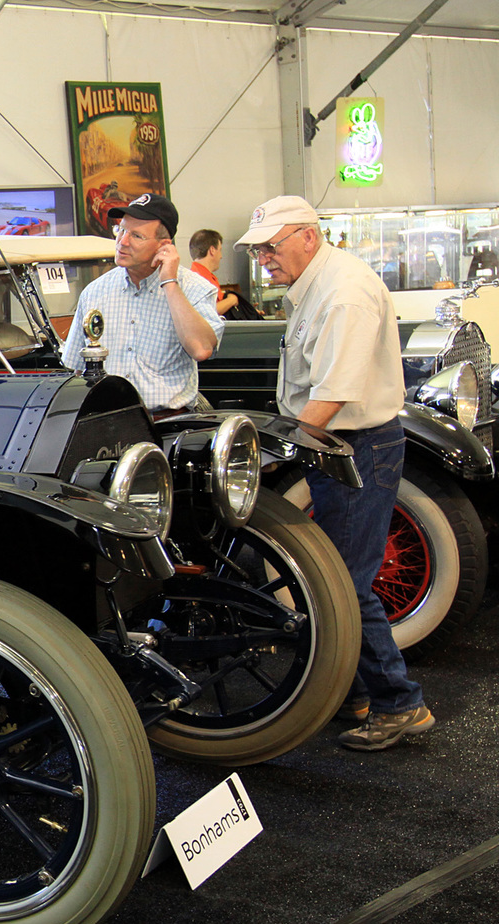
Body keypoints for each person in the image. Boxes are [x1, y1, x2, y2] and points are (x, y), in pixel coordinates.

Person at [236, 195, 433, 752]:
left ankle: (401, 702)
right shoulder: (320, 285)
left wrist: (276, 451)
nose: (265, 258)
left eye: (273, 246)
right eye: (260, 249)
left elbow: (334, 393)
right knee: (340, 577)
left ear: (307, 235)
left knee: (345, 583)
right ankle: (355, 694)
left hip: (354, 445)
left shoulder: (343, 291)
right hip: (341, 445)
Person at [61, 194, 223, 413]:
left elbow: (201, 349)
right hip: (107, 421)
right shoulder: (95, 292)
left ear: (164, 246)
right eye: (121, 230)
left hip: (166, 425)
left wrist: (170, 283)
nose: (122, 241)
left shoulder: (195, 288)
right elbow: (74, 368)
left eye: (136, 235)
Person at [188, 228, 241, 316]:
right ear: (212, 250)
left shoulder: (204, 276)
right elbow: (205, 313)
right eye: (220, 250)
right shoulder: (199, 280)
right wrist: (231, 300)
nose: (221, 256)